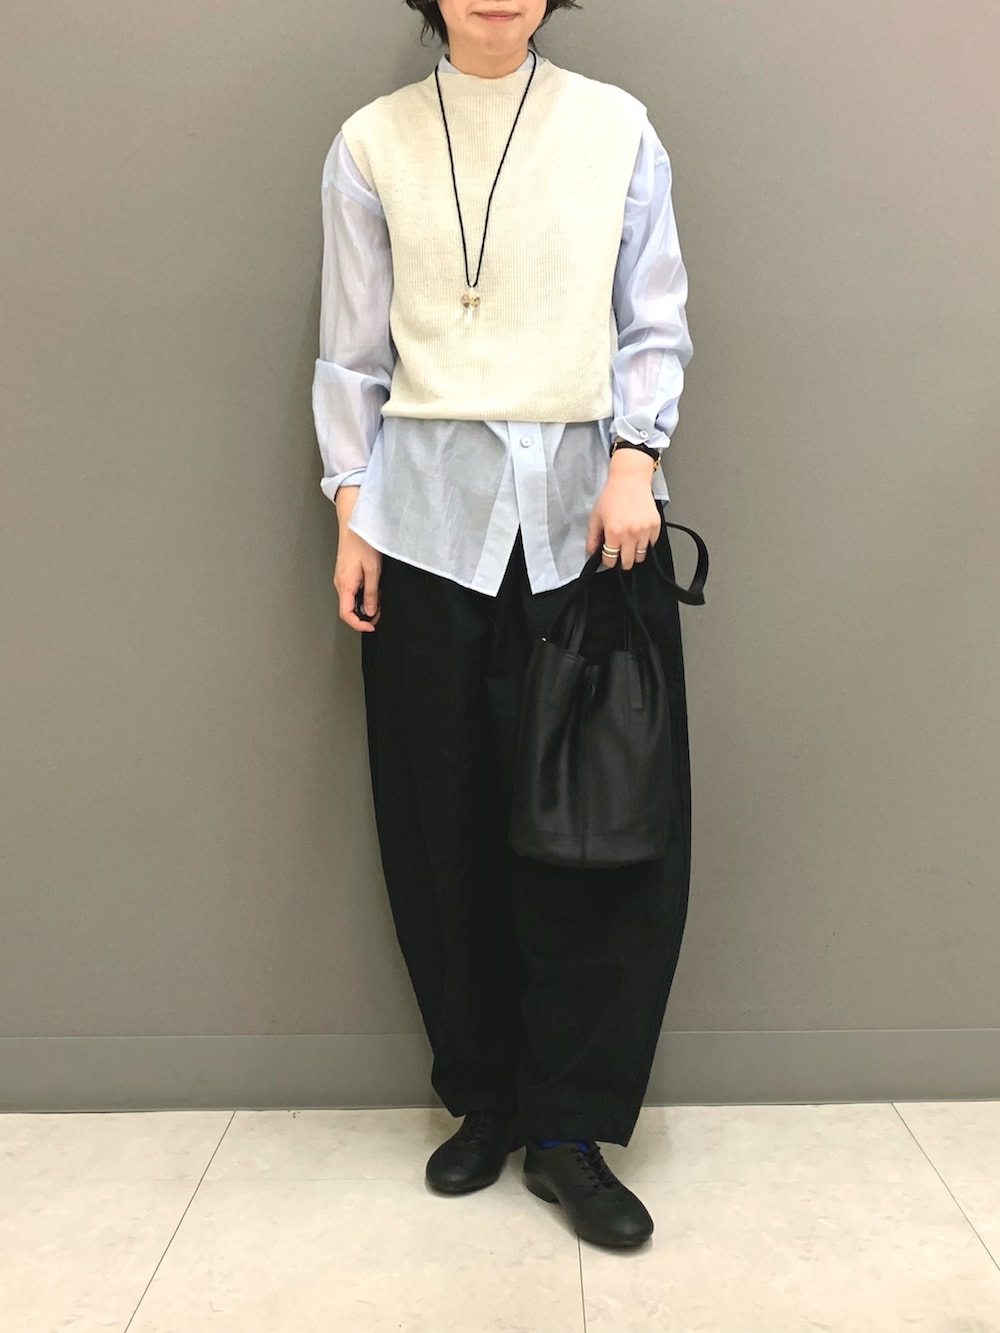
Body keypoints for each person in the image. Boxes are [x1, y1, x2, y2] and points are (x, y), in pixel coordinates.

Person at [312, 0, 695, 1250]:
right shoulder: (371, 142)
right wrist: (352, 510)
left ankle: (569, 1129)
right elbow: (351, 353)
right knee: (443, 830)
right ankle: (482, 1098)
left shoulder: (616, 127)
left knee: (599, 838)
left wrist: (635, 457)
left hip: (592, 533)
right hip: (426, 529)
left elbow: (652, 314)